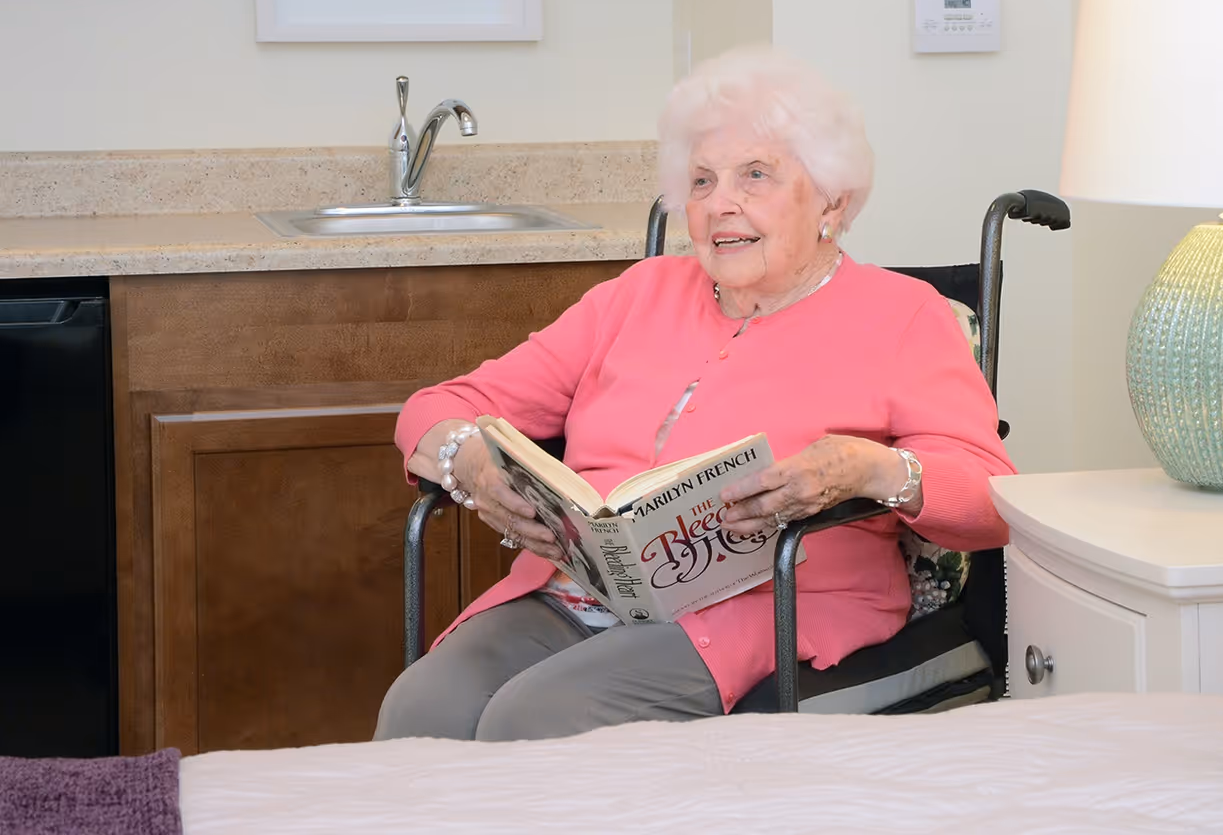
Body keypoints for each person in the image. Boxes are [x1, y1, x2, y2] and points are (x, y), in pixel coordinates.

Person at [374, 46, 1015, 742]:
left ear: (832, 198)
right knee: (420, 711)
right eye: (702, 181)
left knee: (534, 720)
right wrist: (464, 457)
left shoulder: (905, 316)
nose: (720, 205)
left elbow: (991, 499)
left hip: (772, 602)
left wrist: (869, 469)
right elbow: (438, 406)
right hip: (579, 593)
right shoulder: (636, 296)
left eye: (756, 176)